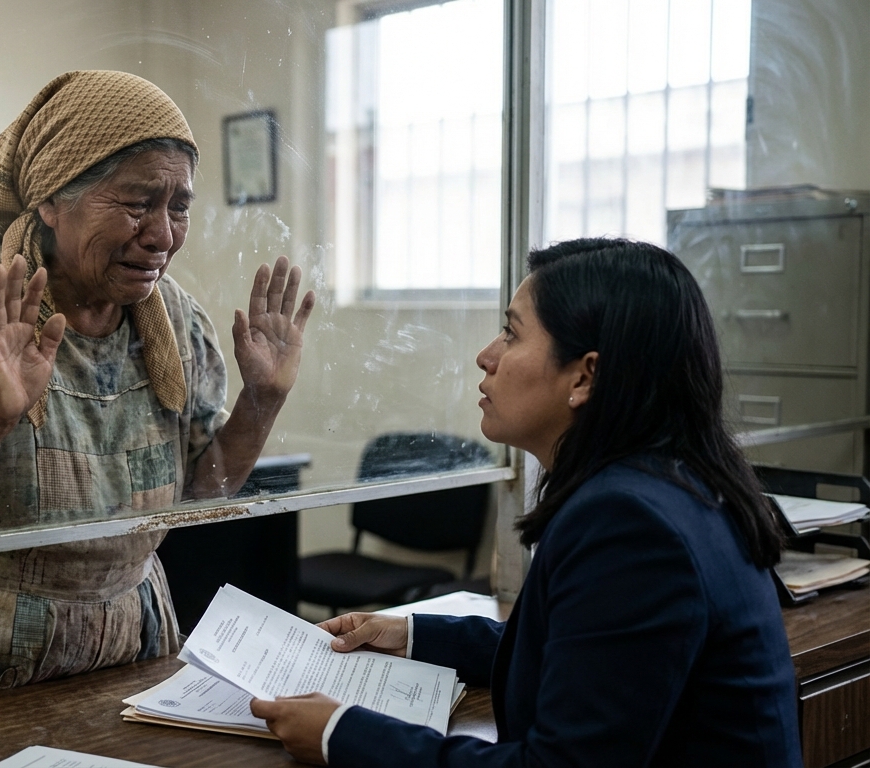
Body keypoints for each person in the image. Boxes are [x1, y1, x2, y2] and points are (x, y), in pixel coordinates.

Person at [0, 70, 315, 710]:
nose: (163, 234)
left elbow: (201, 496)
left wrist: (263, 399)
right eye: (137, 202)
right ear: (50, 200)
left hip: (130, 638)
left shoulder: (173, 320)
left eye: (178, 206)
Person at [251, 238, 801, 766]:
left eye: (511, 335)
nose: (485, 356)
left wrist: (341, 733)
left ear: (584, 375)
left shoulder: (630, 524)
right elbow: (592, 654)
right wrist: (413, 633)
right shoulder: (674, 483)